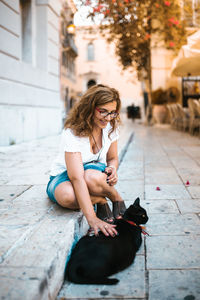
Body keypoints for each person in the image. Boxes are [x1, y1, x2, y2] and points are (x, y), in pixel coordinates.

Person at [46, 84, 126, 237]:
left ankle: (116, 197)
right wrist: (92, 219)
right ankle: (101, 200)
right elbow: (76, 177)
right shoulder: (72, 133)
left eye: (112, 113)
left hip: (93, 173)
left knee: (90, 176)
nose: (108, 118)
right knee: (67, 196)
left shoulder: (111, 128)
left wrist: (113, 168)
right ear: (90, 107)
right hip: (63, 176)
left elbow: (112, 158)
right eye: (103, 111)